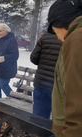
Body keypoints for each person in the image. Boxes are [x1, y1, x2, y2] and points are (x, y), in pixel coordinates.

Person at [47, 0, 82, 136]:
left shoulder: (76, 39)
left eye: (56, 32)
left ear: (61, 23)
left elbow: (77, 100)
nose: (58, 38)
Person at [30, 32, 61, 119]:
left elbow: (34, 58)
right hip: (61, 87)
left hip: (42, 83)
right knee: (60, 120)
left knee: (38, 117)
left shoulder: (45, 37)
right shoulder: (74, 38)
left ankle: (36, 132)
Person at [0, 23, 19, 99]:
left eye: (0, 31)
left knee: (3, 84)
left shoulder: (11, 40)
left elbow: (14, 55)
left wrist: (4, 58)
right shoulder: (1, 40)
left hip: (6, 68)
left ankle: (13, 99)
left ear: (6, 31)